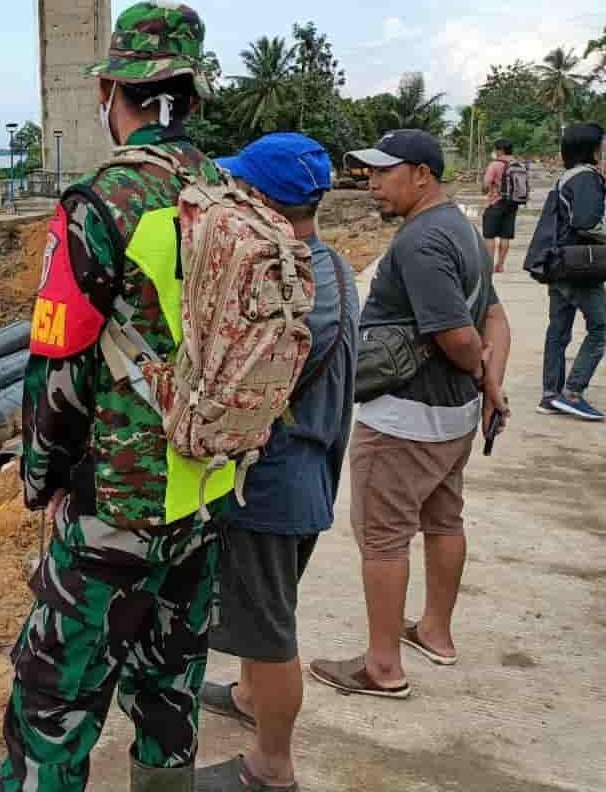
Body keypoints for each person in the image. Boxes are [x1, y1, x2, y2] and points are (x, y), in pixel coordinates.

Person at [0, 2, 239, 792]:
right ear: (193, 95)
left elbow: (57, 366)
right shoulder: (227, 192)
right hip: (206, 491)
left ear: (110, 91)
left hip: (116, 505)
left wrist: (42, 478)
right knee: (171, 688)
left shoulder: (100, 204)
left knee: (52, 699)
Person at [310, 129, 511, 699]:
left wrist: (477, 368)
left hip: (405, 420)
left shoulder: (420, 242)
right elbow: (495, 315)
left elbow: (457, 332)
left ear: (421, 173)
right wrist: (488, 386)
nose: (370, 183)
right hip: (452, 418)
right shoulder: (461, 229)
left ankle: (381, 667)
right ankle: (435, 632)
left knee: (383, 537)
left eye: (382, 172)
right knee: (445, 519)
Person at [196, 133, 358, 792]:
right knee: (266, 608)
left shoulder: (281, 286)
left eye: (239, 189)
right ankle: (244, 697)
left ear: (262, 198)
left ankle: (271, 767)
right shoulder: (332, 266)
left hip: (272, 483)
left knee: (271, 629)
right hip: (307, 470)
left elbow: (232, 391)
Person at [523, 122, 606, 420]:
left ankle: (551, 396)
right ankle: (572, 392)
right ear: (592, 148)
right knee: (601, 326)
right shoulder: (586, 178)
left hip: (558, 264)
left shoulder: (567, 177)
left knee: (558, 331)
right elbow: (586, 223)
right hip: (580, 267)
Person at [481, 139, 524, 273]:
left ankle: (489, 265)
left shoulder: (495, 164)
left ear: (500, 150)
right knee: (505, 236)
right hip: (512, 204)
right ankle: (500, 265)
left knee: (489, 236)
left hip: (496, 203)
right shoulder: (518, 164)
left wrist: (484, 190)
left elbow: (486, 184)